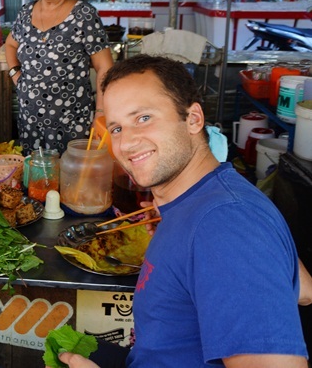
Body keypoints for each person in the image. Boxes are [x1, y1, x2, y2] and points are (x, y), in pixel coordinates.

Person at [52, 54, 307, 368]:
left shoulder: (226, 226)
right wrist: (188, 238)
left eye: (144, 117)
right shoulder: (205, 207)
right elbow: (303, 290)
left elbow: (239, 246)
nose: (127, 142)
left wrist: (216, 241)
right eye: (116, 128)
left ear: (193, 119)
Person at [5, 0, 114, 156]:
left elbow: (105, 67)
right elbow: (10, 44)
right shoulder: (26, 13)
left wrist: (100, 114)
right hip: (30, 122)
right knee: (36, 182)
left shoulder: (83, 15)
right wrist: (15, 75)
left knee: (71, 182)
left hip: (72, 123)